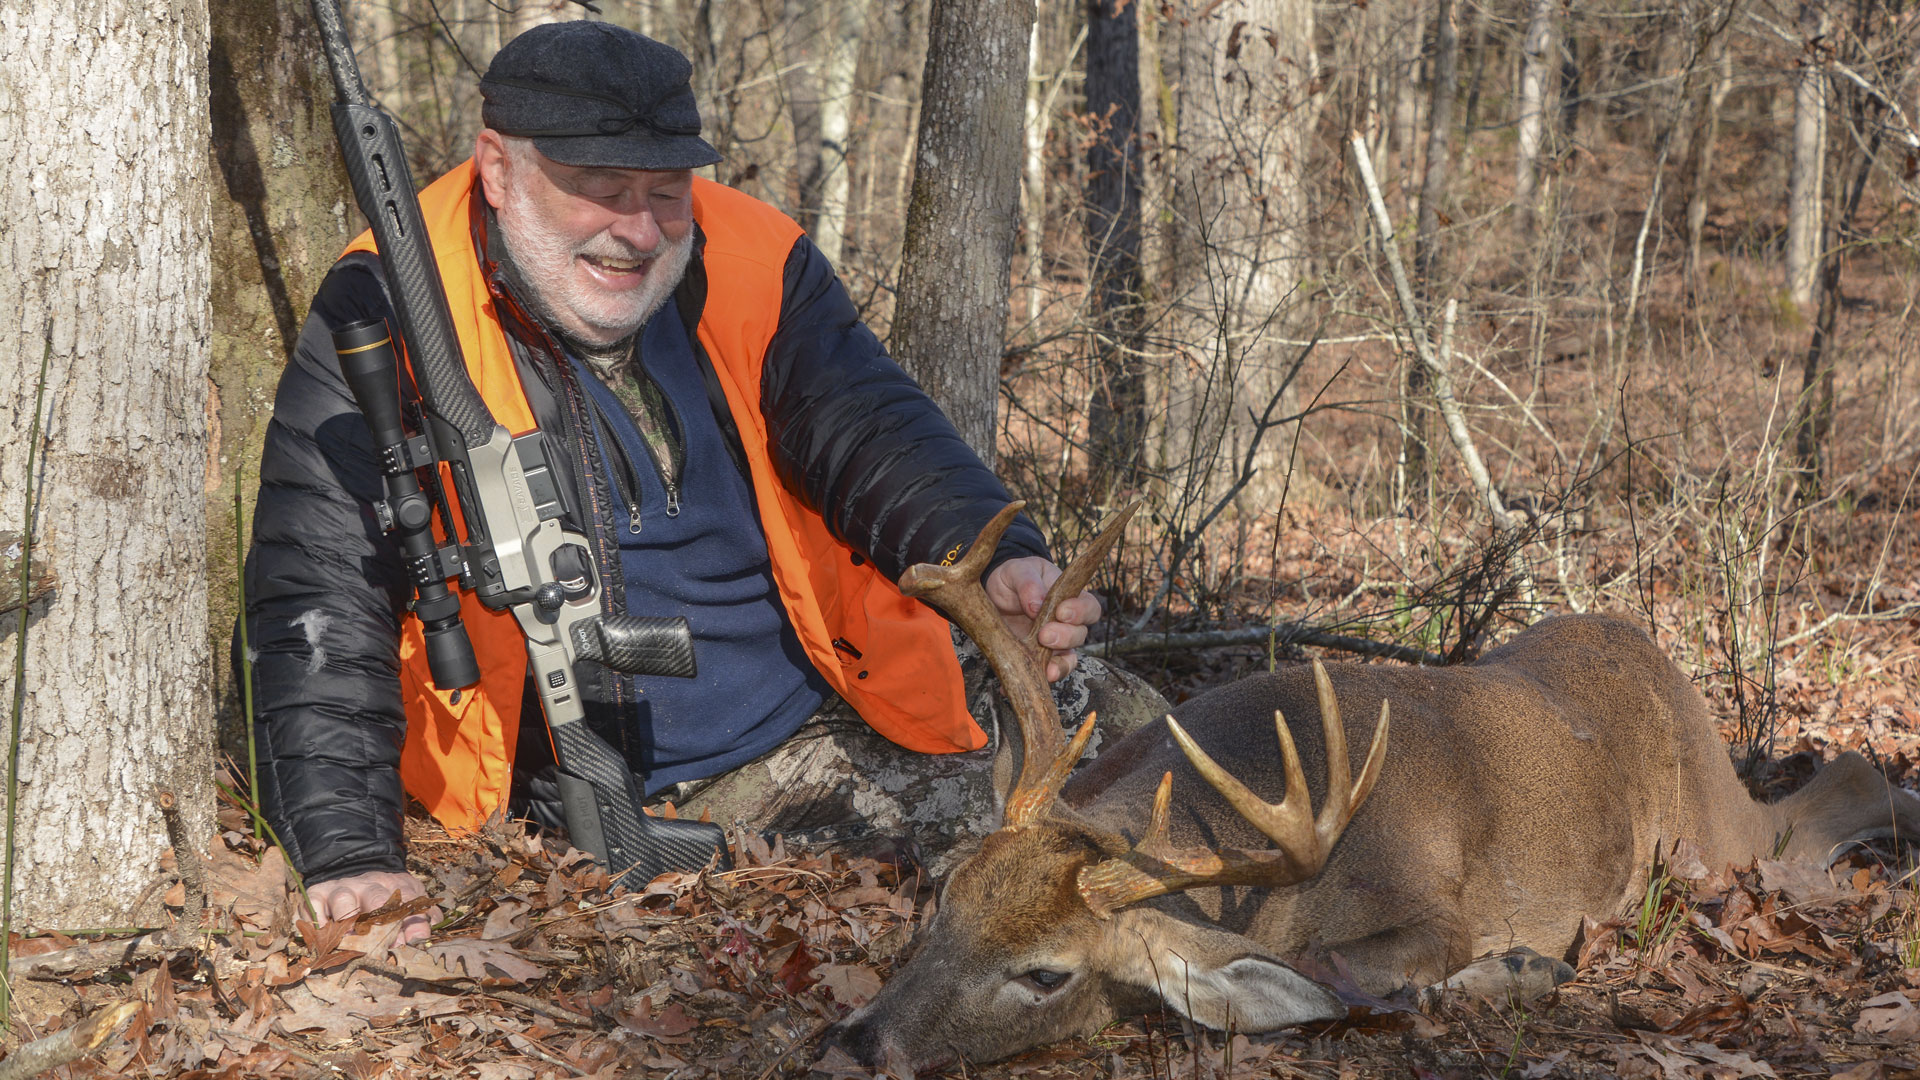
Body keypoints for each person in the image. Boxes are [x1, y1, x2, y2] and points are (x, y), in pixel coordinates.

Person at [241, 21, 1163, 946]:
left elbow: (869, 426)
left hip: (831, 687)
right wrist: (349, 848)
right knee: (1088, 831)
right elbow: (317, 584)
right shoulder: (388, 302)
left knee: (1144, 728)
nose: (639, 232)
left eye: (664, 191)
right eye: (601, 192)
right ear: (497, 167)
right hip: (673, 778)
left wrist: (992, 557)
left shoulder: (751, 252)